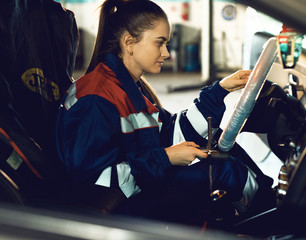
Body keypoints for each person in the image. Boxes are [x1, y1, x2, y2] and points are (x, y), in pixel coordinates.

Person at [56, 0, 275, 225]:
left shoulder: (126, 87)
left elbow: (169, 132)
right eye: (159, 43)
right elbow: (92, 181)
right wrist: (165, 158)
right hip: (119, 208)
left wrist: (220, 90)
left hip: (138, 186)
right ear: (129, 43)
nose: (167, 53)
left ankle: (271, 205)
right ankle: (273, 223)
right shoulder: (96, 99)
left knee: (219, 142)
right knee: (226, 172)